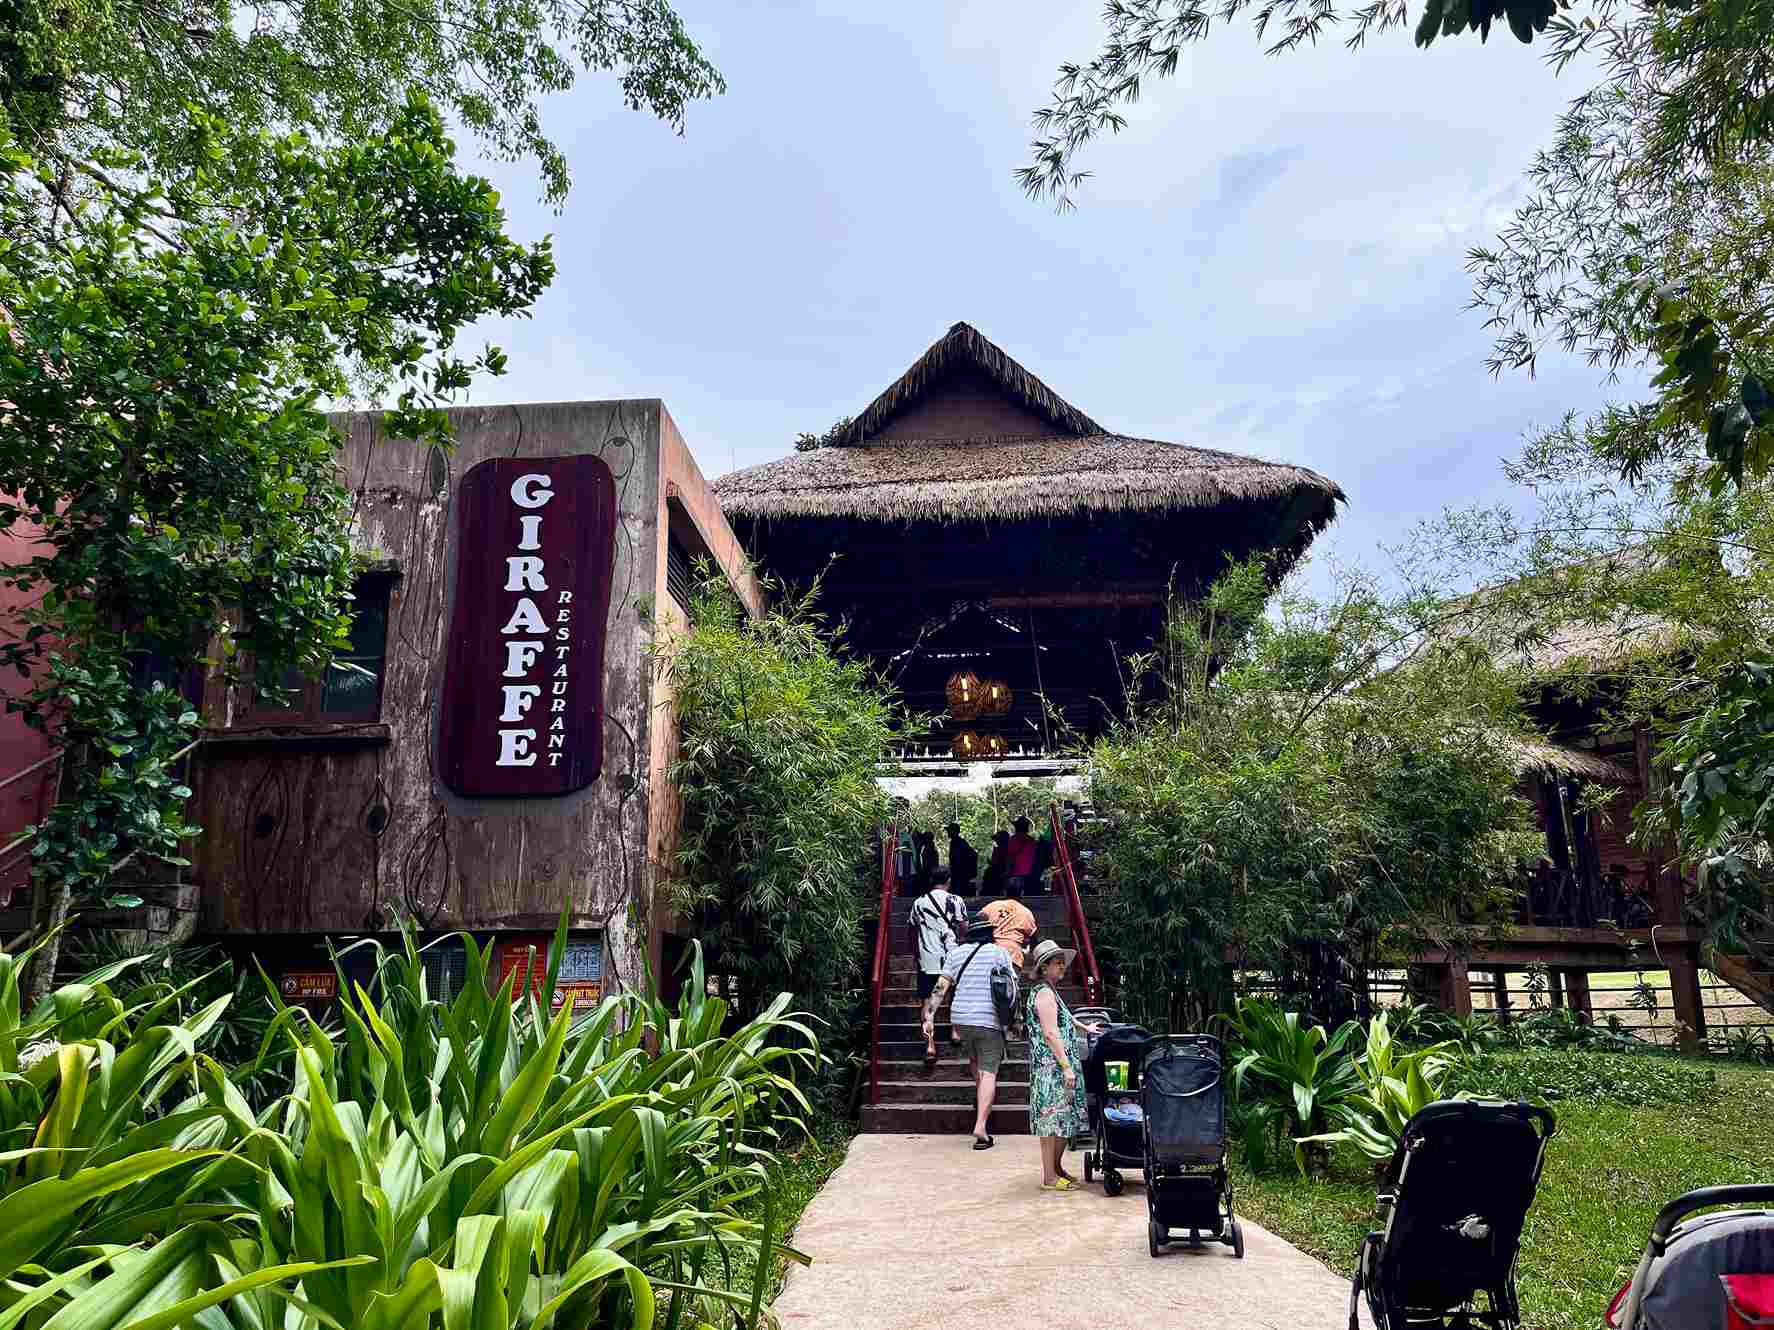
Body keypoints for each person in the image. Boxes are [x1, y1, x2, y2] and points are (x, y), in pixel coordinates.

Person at [923, 912, 1018, 1150]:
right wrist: (1016, 1020)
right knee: (989, 1072)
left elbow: (940, 988)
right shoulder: (999, 953)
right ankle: (981, 1127)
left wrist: (929, 1016)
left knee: (975, 1060)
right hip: (988, 1019)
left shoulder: (956, 954)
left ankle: (981, 1100)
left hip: (961, 1019)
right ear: (989, 933)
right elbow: (1013, 988)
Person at [1025, 937, 1103, 1190]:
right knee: (1051, 1122)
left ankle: (1056, 1168)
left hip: (1056, 1065)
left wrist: (1085, 1027)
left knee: (1062, 1120)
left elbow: (1066, 1018)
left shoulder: (1050, 992)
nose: (1062, 967)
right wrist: (1066, 1066)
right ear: (1044, 967)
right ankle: (1049, 1176)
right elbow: (1050, 1032)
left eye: (1062, 963)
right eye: (1058, 963)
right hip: (1051, 1067)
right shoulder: (1044, 993)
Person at [907, 869, 968, 1065]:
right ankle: (955, 1030)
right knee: (954, 994)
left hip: (928, 960)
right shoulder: (956, 900)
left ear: (931, 881)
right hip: (952, 958)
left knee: (928, 1001)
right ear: (948, 881)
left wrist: (916, 953)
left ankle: (930, 1045)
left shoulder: (919, 902)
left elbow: (911, 930)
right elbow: (964, 927)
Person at [978, 894, 1036, 969]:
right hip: (1013, 954)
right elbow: (1033, 937)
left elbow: (977, 922)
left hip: (991, 951)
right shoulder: (1026, 912)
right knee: (1011, 980)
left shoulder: (991, 906)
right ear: (1022, 893)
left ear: (1004, 892)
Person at [1005, 816, 1039, 897]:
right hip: (1029, 875)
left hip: (1015, 874)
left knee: (1012, 898)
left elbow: (1010, 856)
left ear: (1017, 827)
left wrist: (1006, 872)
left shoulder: (1014, 839)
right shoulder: (1032, 841)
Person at [946, 823, 979, 896]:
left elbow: (971, 855)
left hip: (960, 875)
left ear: (954, 831)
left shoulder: (959, 842)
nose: (947, 832)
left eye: (949, 830)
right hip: (958, 874)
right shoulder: (955, 842)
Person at [982, 830, 1010, 896]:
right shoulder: (1002, 850)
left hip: (997, 876)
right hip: (998, 875)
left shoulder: (1002, 850)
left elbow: (998, 863)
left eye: (997, 840)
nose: (996, 841)